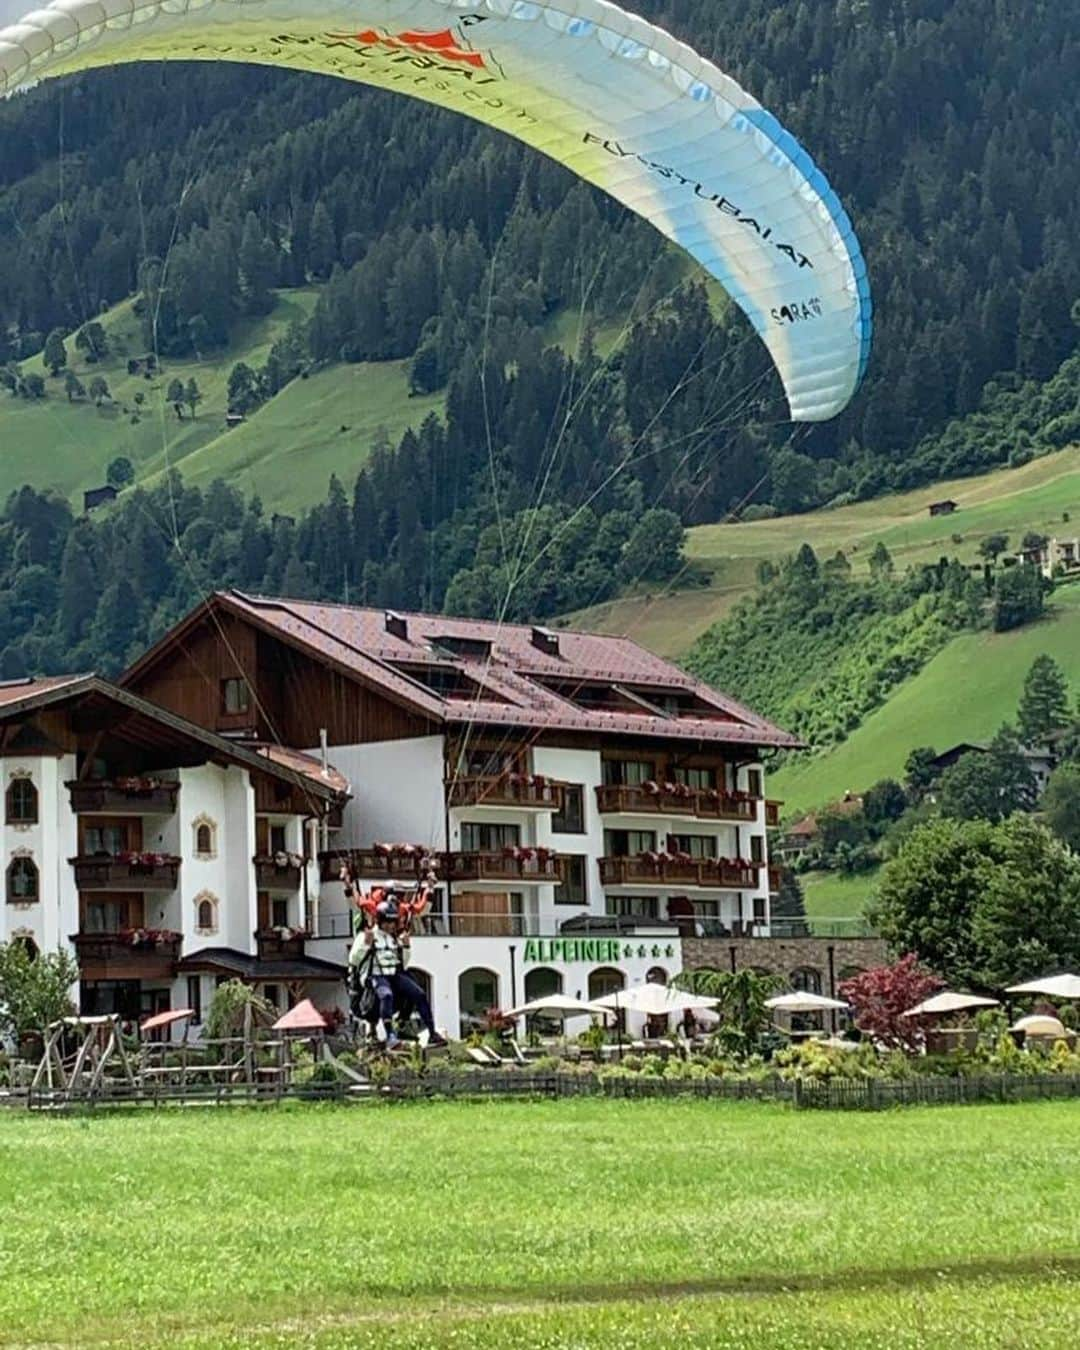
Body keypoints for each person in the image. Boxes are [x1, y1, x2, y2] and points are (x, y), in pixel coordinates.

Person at [355, 898, 446, 1048]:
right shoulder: (367, 935)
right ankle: (390, 1035)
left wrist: (406, 947)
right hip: (375, 975)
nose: (391, 926)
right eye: (388, 922)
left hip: (393, 974)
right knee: (386, 995)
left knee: (419, 994)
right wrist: (365, 944)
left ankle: (432, 1033)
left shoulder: (394, 939)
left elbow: (403, 963)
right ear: (380, 921)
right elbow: (354, 960)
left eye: (393, 922)